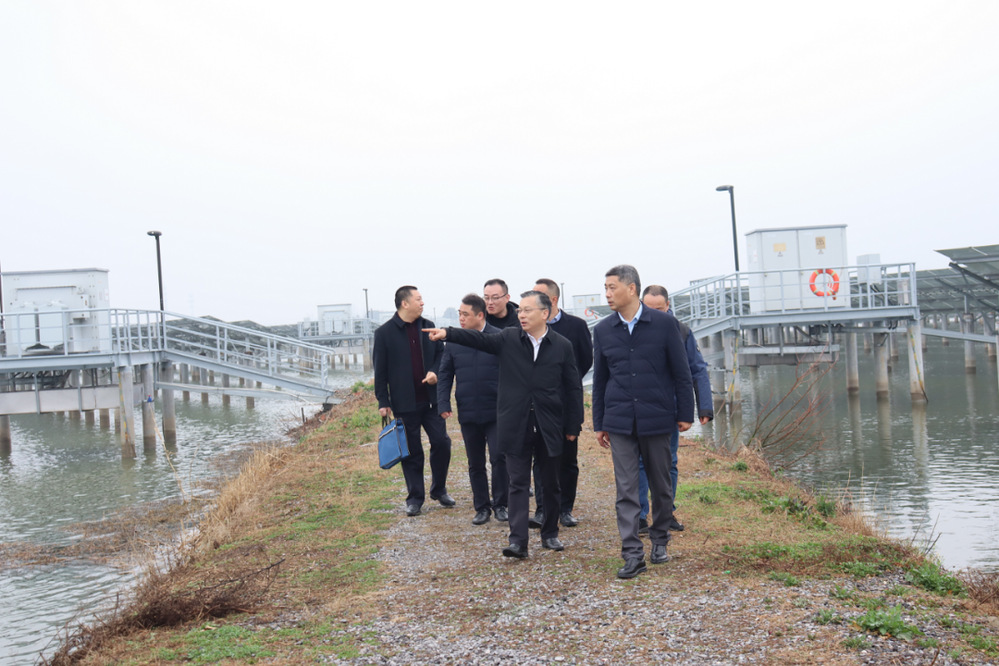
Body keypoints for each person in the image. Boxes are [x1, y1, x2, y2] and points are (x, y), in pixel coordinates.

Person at [425, 290, 584, 559]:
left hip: (549, 423)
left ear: (544, 313)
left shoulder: (562, 345)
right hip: (515, 422)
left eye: (527, 310)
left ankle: (549, 533)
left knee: (550, 482)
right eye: (520, 310)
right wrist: (448, 333)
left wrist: (572, 425)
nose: (521, 315)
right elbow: (478, 339)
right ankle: (518, 541)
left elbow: (573, 388)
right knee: (517, 482)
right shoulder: (509, 338)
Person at [592, 265, 693, 579]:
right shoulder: (603, 330)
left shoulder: (664, 325)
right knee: (626, 489)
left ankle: (660, 538)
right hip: (619, 420)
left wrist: (685, 414)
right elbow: (600, 379)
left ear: (631, 288)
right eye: (605, 288)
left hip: (657, 417)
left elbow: (681, 372)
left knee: (661, 485)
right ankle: (632, 554)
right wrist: (599, 422)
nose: (607, 294)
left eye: (612, 287)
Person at [637, 285, 713, 534]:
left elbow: (697, 369)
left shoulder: (681, 331)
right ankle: (639, 516)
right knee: (639, 461)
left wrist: (704, 406)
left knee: (668, 462)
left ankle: (666, 512)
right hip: (638, 406)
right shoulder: (631, 328)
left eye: (659, 308)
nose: (653, 313)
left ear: (668, 306)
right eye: (648, 308)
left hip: (669, 407)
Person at [373, 286, 453, 517]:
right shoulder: (384, 333)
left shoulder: (428, 326)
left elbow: (441, 355)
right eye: (418, 299)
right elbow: (380, 371)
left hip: (431, 400)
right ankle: (415, 498)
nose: (422, 303)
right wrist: (383, 401)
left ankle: (439, 489)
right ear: (404, 303)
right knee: (412, 451)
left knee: (441, 443)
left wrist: (435, 371)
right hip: (404, 402)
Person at [436, 294, 508, 525]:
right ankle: (482, 507)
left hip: (496, 411)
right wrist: (443, 403)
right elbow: (445, 374)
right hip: (468, 410)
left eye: (465, 314)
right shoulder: (454, 342)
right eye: (459, 314)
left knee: (499, 458)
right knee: (475, 463)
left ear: (480, 315)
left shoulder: (498, 337)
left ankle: (501, 505)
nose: (461, 318)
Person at [532, 278, 593, 529]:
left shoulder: (576, 326)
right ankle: (542, 509)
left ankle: (566, 509)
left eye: (539, 295)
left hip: (567, 402)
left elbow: (586, 359)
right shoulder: (528, 326)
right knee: (540, 459)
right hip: (538, 403)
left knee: (568, 459)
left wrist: (568, 380)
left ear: (553, 300)